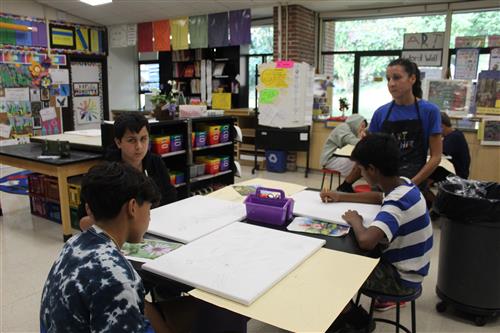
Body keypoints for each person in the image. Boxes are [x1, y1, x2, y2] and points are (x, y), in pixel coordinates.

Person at [41, 162, 196, 333]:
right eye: (149, 210)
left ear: (89, 209)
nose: (149, 219)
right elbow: (118, 290)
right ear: (132, 208)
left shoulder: (75, 243)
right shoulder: (117, 276)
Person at [322, 134, 433, 331]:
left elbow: (366, 241)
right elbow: (378, 197)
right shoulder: (404, 184)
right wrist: (342, 196)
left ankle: (355, 320)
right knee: (346, 259)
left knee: (332, 271)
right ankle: (350, 315)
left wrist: (356, 220)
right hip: (413, 268)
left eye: (362, 169)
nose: (361, 174)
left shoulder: (396, 203)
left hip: (401, 279)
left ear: (372, 169)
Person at [337, 58, 442, 193]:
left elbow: (436, 157)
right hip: (381, 187)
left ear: (412, 79)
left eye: (397, 78)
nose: (391, 84)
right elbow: (368, 156)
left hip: (413, 185)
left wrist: (411, 184)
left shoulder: (430, 111)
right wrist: (346, 184)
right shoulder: (381, 113)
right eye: (388, 79)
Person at [79, 113, 177, 230]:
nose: (139, 146)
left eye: (143, 139)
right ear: (118, 142)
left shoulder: (155, 162)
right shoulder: (105, 173)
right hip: (118, 234)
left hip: (156, 227)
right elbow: (83, 222)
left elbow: (171, 197)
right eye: (131, 140)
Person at [430, 112, 470, 181]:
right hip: (455, 172)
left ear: (441, 126)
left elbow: (437, 154)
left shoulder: (454, 137)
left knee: (429, 172)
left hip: (457, 175)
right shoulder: (455, 134)